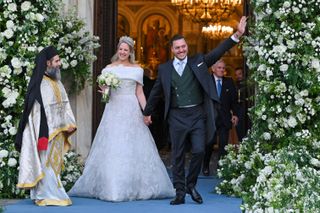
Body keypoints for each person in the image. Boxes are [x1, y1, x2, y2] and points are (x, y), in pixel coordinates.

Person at [143, 16, 247, 205]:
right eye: (177, 48)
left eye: (183, 46)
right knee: (178, 155)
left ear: (186, 47)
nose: (181, 50)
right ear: (172, 50)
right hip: (176, 116)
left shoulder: (198, 61)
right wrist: (147, 112)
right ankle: (180, 192)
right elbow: (156, 92)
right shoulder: (165, 69)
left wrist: (237, 35)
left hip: (197, 115)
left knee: (199, 150)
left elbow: (217, 52)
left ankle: (191, 184)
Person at [68, 36, 175, 202]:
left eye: (126, 50)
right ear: (117, 50)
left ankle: (136, 185)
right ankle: (112, 186)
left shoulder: (137, 70)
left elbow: (139, 93)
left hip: (131, 108)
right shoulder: (108, 69)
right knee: (113, 144)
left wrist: (147, 112)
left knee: (133, 145)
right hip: (113, 109)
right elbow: (106, 95)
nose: (123, 52)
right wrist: (104, 91)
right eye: (121, 49)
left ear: (130, 52)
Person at [15, 46, 77, 206]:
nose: (59, 64)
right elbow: (39, 113)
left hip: (58, 130)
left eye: (59, 60)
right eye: (56, 61)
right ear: (48, 63)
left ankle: (47, 194)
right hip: (46, 132)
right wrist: (56, 127)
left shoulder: (56, 82)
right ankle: (46, 195)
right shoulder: (40, 84)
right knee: (45, 164)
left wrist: (69, 123)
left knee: (53, 165)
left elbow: (64, 105)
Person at [202, 60, 239, 176]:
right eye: (219, 68)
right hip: (210, 118)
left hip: (224, 118)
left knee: (223, 144)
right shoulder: (206, 81)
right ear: (213, 69)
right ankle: (205, 166)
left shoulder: (229, 82)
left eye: (223, 68)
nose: (222, 70)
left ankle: (221, 167)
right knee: (209, 143)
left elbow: (234, 101)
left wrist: (235, 115)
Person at [234, 67, 248, 142]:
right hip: (238, 110)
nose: (238, 76)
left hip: (246, 108)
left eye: (240, 74)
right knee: (239, 129)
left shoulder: (248, 85)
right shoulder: (234, 85)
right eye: (236, 75)